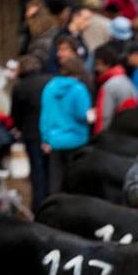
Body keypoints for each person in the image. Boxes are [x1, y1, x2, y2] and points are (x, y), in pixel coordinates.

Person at [40, 57, 93, 193]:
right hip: (76, 140)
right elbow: (82, 115)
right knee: (74, 179)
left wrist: (45, 139)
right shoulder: (79, 89)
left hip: (54, 140)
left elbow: (45, 116)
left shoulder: (50, 87)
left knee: (55, 180)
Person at [10, 55, 51, 212]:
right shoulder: (49, 81)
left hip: (32, 133)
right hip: (52, 132)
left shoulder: (20, 87)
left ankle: (39, 206)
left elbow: (15, 115)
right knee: (51, 170)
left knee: (37, 171)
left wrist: (19, 128)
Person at [93, 44, 138, 135]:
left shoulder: (108, 86)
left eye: (98, 64)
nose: (96, 69)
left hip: (112, 134)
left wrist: (98, 137)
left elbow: (104, 116)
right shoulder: (126, 80)